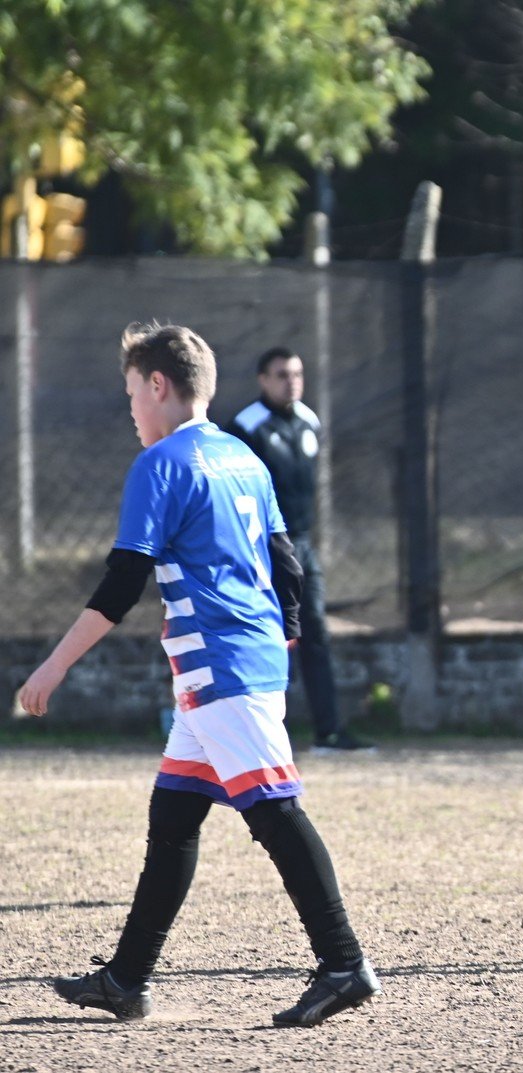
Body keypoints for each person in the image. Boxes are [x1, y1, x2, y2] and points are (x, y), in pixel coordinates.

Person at [18, 323, 379, 1027]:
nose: (129, 410)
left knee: (275, 810)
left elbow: (124, 580)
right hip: (234, 664)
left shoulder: (161, 463)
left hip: (221, 667)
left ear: (158, 386)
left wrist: (52, 666)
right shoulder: (244, 457)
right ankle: (125, 980)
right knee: (174, 818)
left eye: (130, 393)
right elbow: (289, 562)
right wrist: (282, 640)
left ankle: (343, 962)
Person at [227, 347, 373, 753]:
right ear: (263, 379)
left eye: (296, 374)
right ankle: (262, 736)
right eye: (281, 375)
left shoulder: (309, 421)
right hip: (263, 547)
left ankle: (328, 731)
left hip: (304, 546)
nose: (291, 381)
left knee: (315, 633)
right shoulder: (245, 427)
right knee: (268, 638)